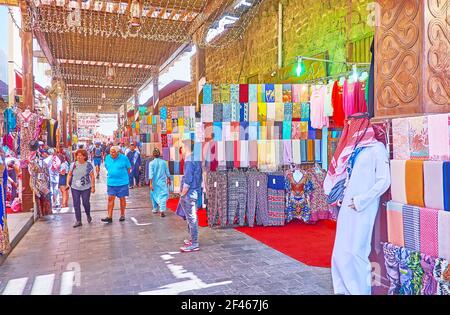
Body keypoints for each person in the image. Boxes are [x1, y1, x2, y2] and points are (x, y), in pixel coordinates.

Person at [323, 113, 390, 295]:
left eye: (352, 123)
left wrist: (361, 201)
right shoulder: (354, 150)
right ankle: (342, 290)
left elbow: (384, 181)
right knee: (340, 252)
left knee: (357, 252)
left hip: (364, 208)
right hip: (347, 206)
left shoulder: (377, 149)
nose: (349, 127)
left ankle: (360, 291)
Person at [177, 139, 203, 252]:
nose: (181, 149)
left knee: (191, 218)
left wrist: (182, 193)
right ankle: (193, 240)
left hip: (190, 192)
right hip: (195, 191)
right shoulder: (196, 159)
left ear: (186, 147)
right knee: (191, 217)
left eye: (182, 146)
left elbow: (188, 179)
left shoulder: (189, 160)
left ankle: (194, 243)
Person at [66, 149, 95, 228]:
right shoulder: (73, 165)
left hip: (86, 187)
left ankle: (88, 214)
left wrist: (93, 186)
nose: (78, 157)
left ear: (84, 156)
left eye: (80, 155)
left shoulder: (88, 165)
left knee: (85, 202)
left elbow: (92, 176)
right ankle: (78, 220)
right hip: (75, 187)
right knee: (76, 204)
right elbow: (69, 174)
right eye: (77, 155)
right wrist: (67, 183)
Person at [102, 146, 131, 223]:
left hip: (122, 182)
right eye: (111, 152)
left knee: (122, 198)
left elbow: (128, 168)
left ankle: (122, 214)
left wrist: (123, 176)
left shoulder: (124, 158)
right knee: (110, 198)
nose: (112, 153)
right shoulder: (107, 157)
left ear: (118, 152)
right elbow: (106, 166)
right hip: (111, 182)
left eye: (114, 152)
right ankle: (109, 216)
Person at [148, 148, 171, 217]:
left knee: (153, 194)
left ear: (153, 155)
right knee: (163, 195)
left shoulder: (151, 163)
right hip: (162, 182)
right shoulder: (164, 162)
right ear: (159, 154)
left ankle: (155, 208)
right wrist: (169, 179)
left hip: (154, 182)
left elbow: (151, 174)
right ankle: (162, 210)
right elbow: (167, 172)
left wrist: (150, 183)